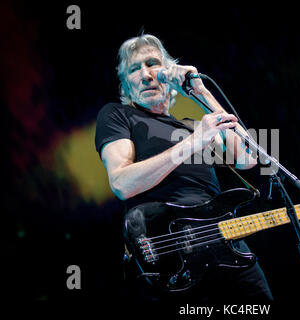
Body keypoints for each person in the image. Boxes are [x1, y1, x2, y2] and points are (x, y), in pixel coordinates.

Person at [95, 34, 273, 302]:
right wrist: (194, 141)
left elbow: (246, 158)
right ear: (125, 84)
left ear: (169, 74)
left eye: (153, 64)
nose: (145, 75)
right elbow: (122, 183)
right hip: (170, 253)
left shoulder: (193, 125)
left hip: (225, 244)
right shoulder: (118, 115)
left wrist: (201, 91)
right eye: (134, 69)